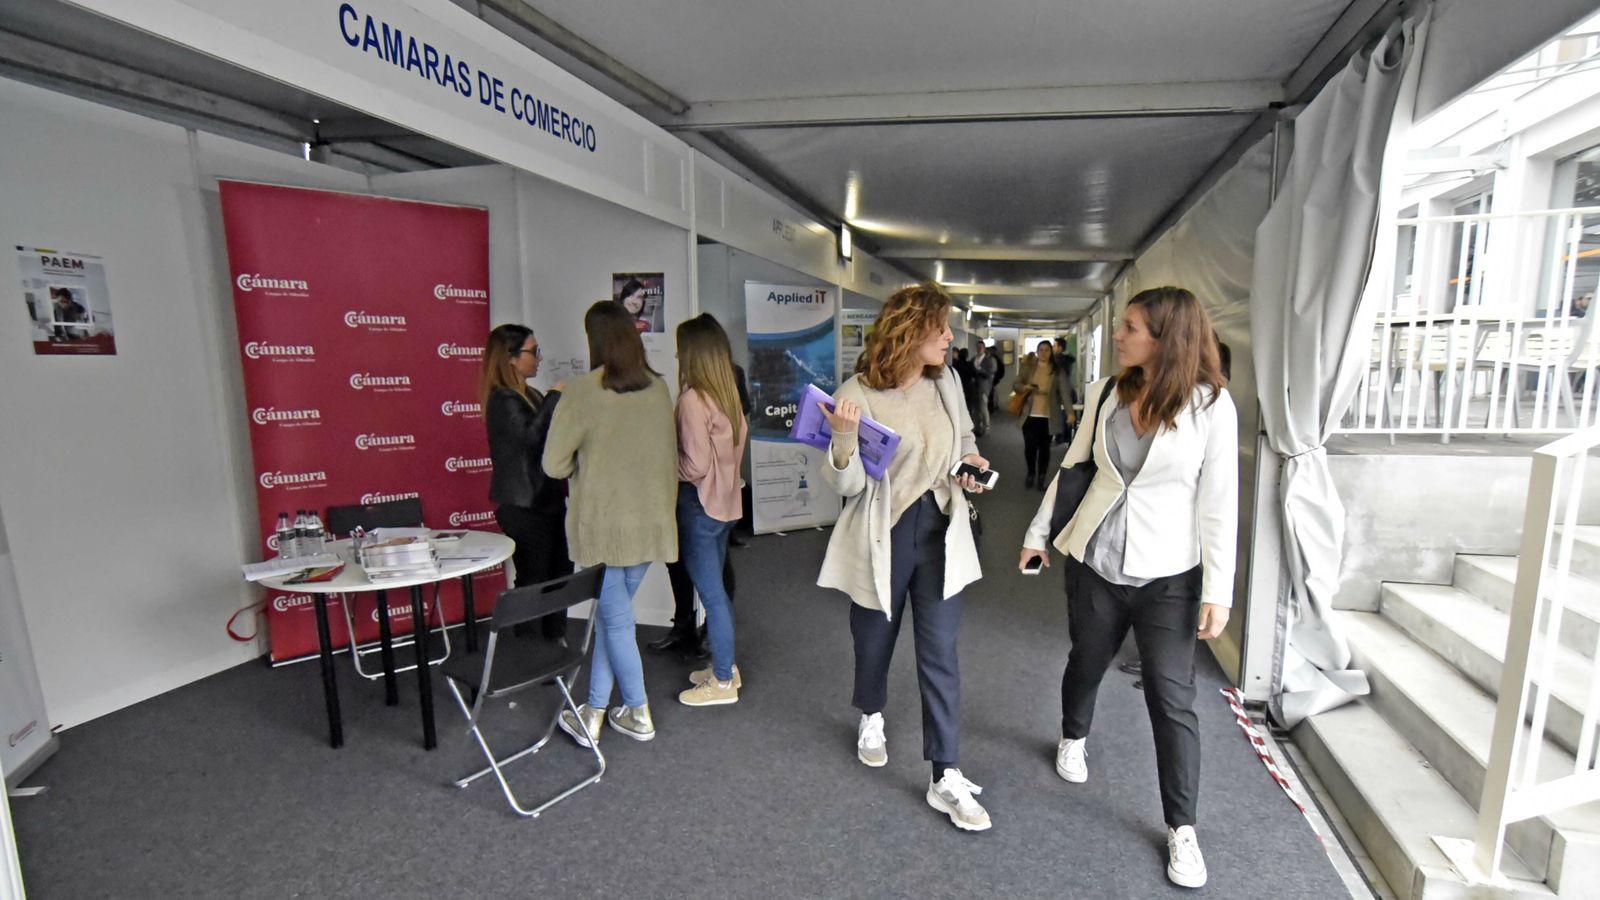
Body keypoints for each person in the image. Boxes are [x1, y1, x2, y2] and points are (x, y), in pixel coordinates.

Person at [1018, 286, 1238, 889]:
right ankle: (1073, 735)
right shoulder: (1108, 393)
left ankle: (1182, 829)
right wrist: (1039, 533)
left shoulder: (1212, 406)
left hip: (1169, 574)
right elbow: (1075, 469)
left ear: (1167, 338)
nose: (1120, 335)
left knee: (1171, 698)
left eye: (1133, 327)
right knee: (1087, 659)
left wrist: (1219, 589)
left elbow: (1219, 505)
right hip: (1095, 559)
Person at [815, 282, 993, 833]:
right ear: (911, 330)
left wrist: (971, 460)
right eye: (940, 328)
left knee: (940, 652)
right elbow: (844, 485)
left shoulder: (947, 381)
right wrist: (843, 440)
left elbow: (964, 435)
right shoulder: (858, 393)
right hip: (886, 532)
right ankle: (871, 713)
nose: (949, 337)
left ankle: (946, 773)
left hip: (942, 528)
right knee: (874, 638)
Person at [546, 300, 678, 747]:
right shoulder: (659, 388)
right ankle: (595, 711)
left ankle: (639, 712)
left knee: (615, 621)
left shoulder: (582, 392)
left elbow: (553, 465)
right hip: (652, 525)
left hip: (602, 530)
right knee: (611, 619)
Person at [671, 314, 750, 707]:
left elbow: (696, 466)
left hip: (699, 507)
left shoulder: (691, 400)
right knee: (718, 592)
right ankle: (726, 666)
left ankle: (721, 682)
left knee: (712, 596)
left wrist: (666, 467)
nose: (674, 353)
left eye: (679, 347)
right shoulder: (728, 396)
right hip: (726, 506)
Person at [481, 324, 571, 642]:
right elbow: (530, 440)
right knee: (534, 580)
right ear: (510, 358)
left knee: (560, 575)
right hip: (524, 507)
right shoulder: (502, 400)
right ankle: (532, 649)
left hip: (547, 502)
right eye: (533, 352)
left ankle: (554, 641)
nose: (539, 359)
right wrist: (554, 398)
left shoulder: (529, 394)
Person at [1013, 341, 1064, 490]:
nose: (1043, 353)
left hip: (1048, 416)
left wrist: (1069, 412)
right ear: (1037, 352)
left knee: (1044, 448)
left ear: (1051, 353)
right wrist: (1025, 387)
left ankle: (1041, 476)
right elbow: (1015, 384)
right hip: (1030, 415)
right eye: (1040, 350)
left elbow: (1064, 392)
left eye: (1046, 350)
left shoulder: (1056, 370)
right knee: (1030, 447)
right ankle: (1031, 473)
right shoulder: (1028, 367)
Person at [972, 343, 997, 436]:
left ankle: (986, 426)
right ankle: (977, 427)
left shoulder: (990, 360)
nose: (979, 349)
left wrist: (979, 370)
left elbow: (990, 373)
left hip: (984, 387)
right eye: (977, 347)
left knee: (983, 407)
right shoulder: (973, 359)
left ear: (984, 349)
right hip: (974, 387)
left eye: (980, 348)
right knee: (975, 408)